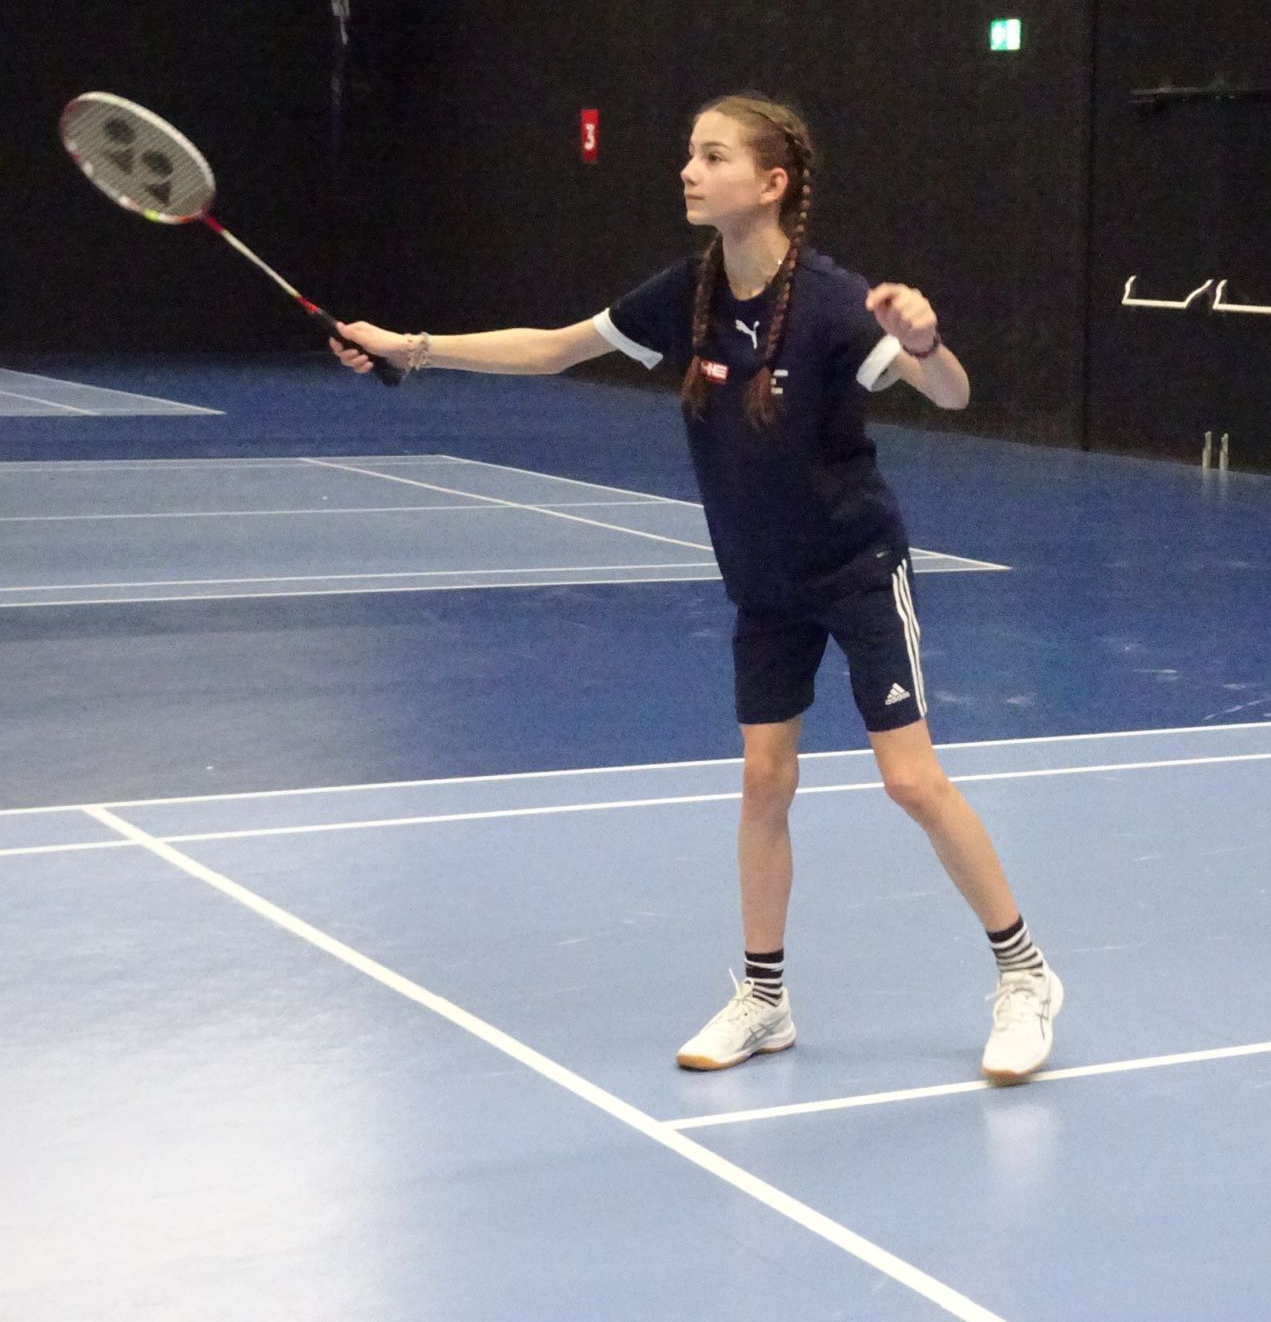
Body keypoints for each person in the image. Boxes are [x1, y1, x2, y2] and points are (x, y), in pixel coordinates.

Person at [330, 92, 1061, 1080]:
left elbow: (952, 393)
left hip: (853, 571)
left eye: (710, 156)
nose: (686, 170)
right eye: (687, 154)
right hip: (762, 585)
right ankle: (763, 999)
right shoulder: (691, 293)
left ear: (770, 184)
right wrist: (409, 348)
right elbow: (553, 347)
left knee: (910, 782)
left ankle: (1024, 977)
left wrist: (925, 341)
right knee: (762, 781)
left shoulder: (839, 303)